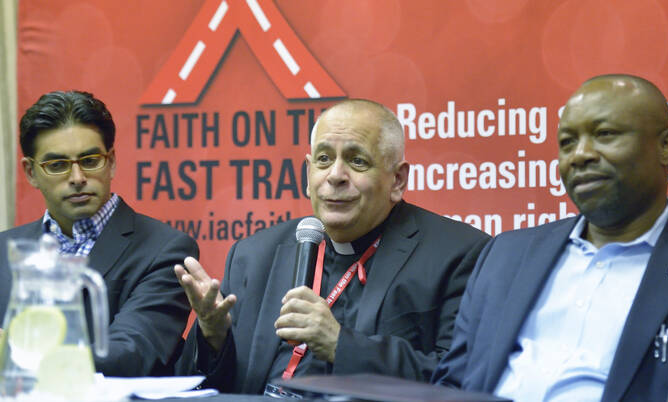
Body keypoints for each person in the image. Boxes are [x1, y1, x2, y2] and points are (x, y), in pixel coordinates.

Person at [433, 74, 668, 401]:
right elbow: (453, 383)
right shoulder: (505, 254)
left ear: (666, 146)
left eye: (605, 134)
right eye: (568, 142)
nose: (580, 155)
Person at [174, 99, 490, 394]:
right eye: (324, 159)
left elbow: (461, 379)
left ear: (397, 181)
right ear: (308, 172)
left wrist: (342, 345)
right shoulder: (253, 255)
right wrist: (213, 335)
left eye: (357, 161)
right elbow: (196, 387)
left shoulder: (458, 254)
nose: (336, 175)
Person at [0, 90, 198, 376]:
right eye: (57, 166)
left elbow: (130, 354)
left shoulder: (166, 250)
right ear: (30, 172)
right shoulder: (4, 249)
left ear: (111, 161)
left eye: (90, 160)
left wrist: (16, 352)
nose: (78, 178)